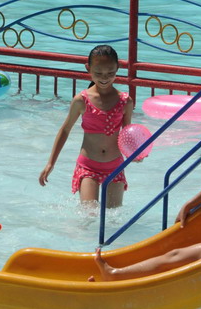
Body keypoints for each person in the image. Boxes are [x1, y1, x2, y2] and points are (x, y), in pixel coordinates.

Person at [91, 137, 201, 281]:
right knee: (174, 256)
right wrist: (190, 204)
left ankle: (115, 276)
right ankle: (115, 274)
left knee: (174, 265)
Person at [39, 45, 134, 207]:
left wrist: (134, 154)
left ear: (118, 68)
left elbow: (127, 134)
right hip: (88, 166)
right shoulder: (81, 100)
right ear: (88, 68)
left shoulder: (125, 101)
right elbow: (65, 130)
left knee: (113, 216)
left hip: (115, 165)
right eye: (98, 73)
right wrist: (50, 163)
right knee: (88, 214)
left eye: (111, 73)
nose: (105, 78)